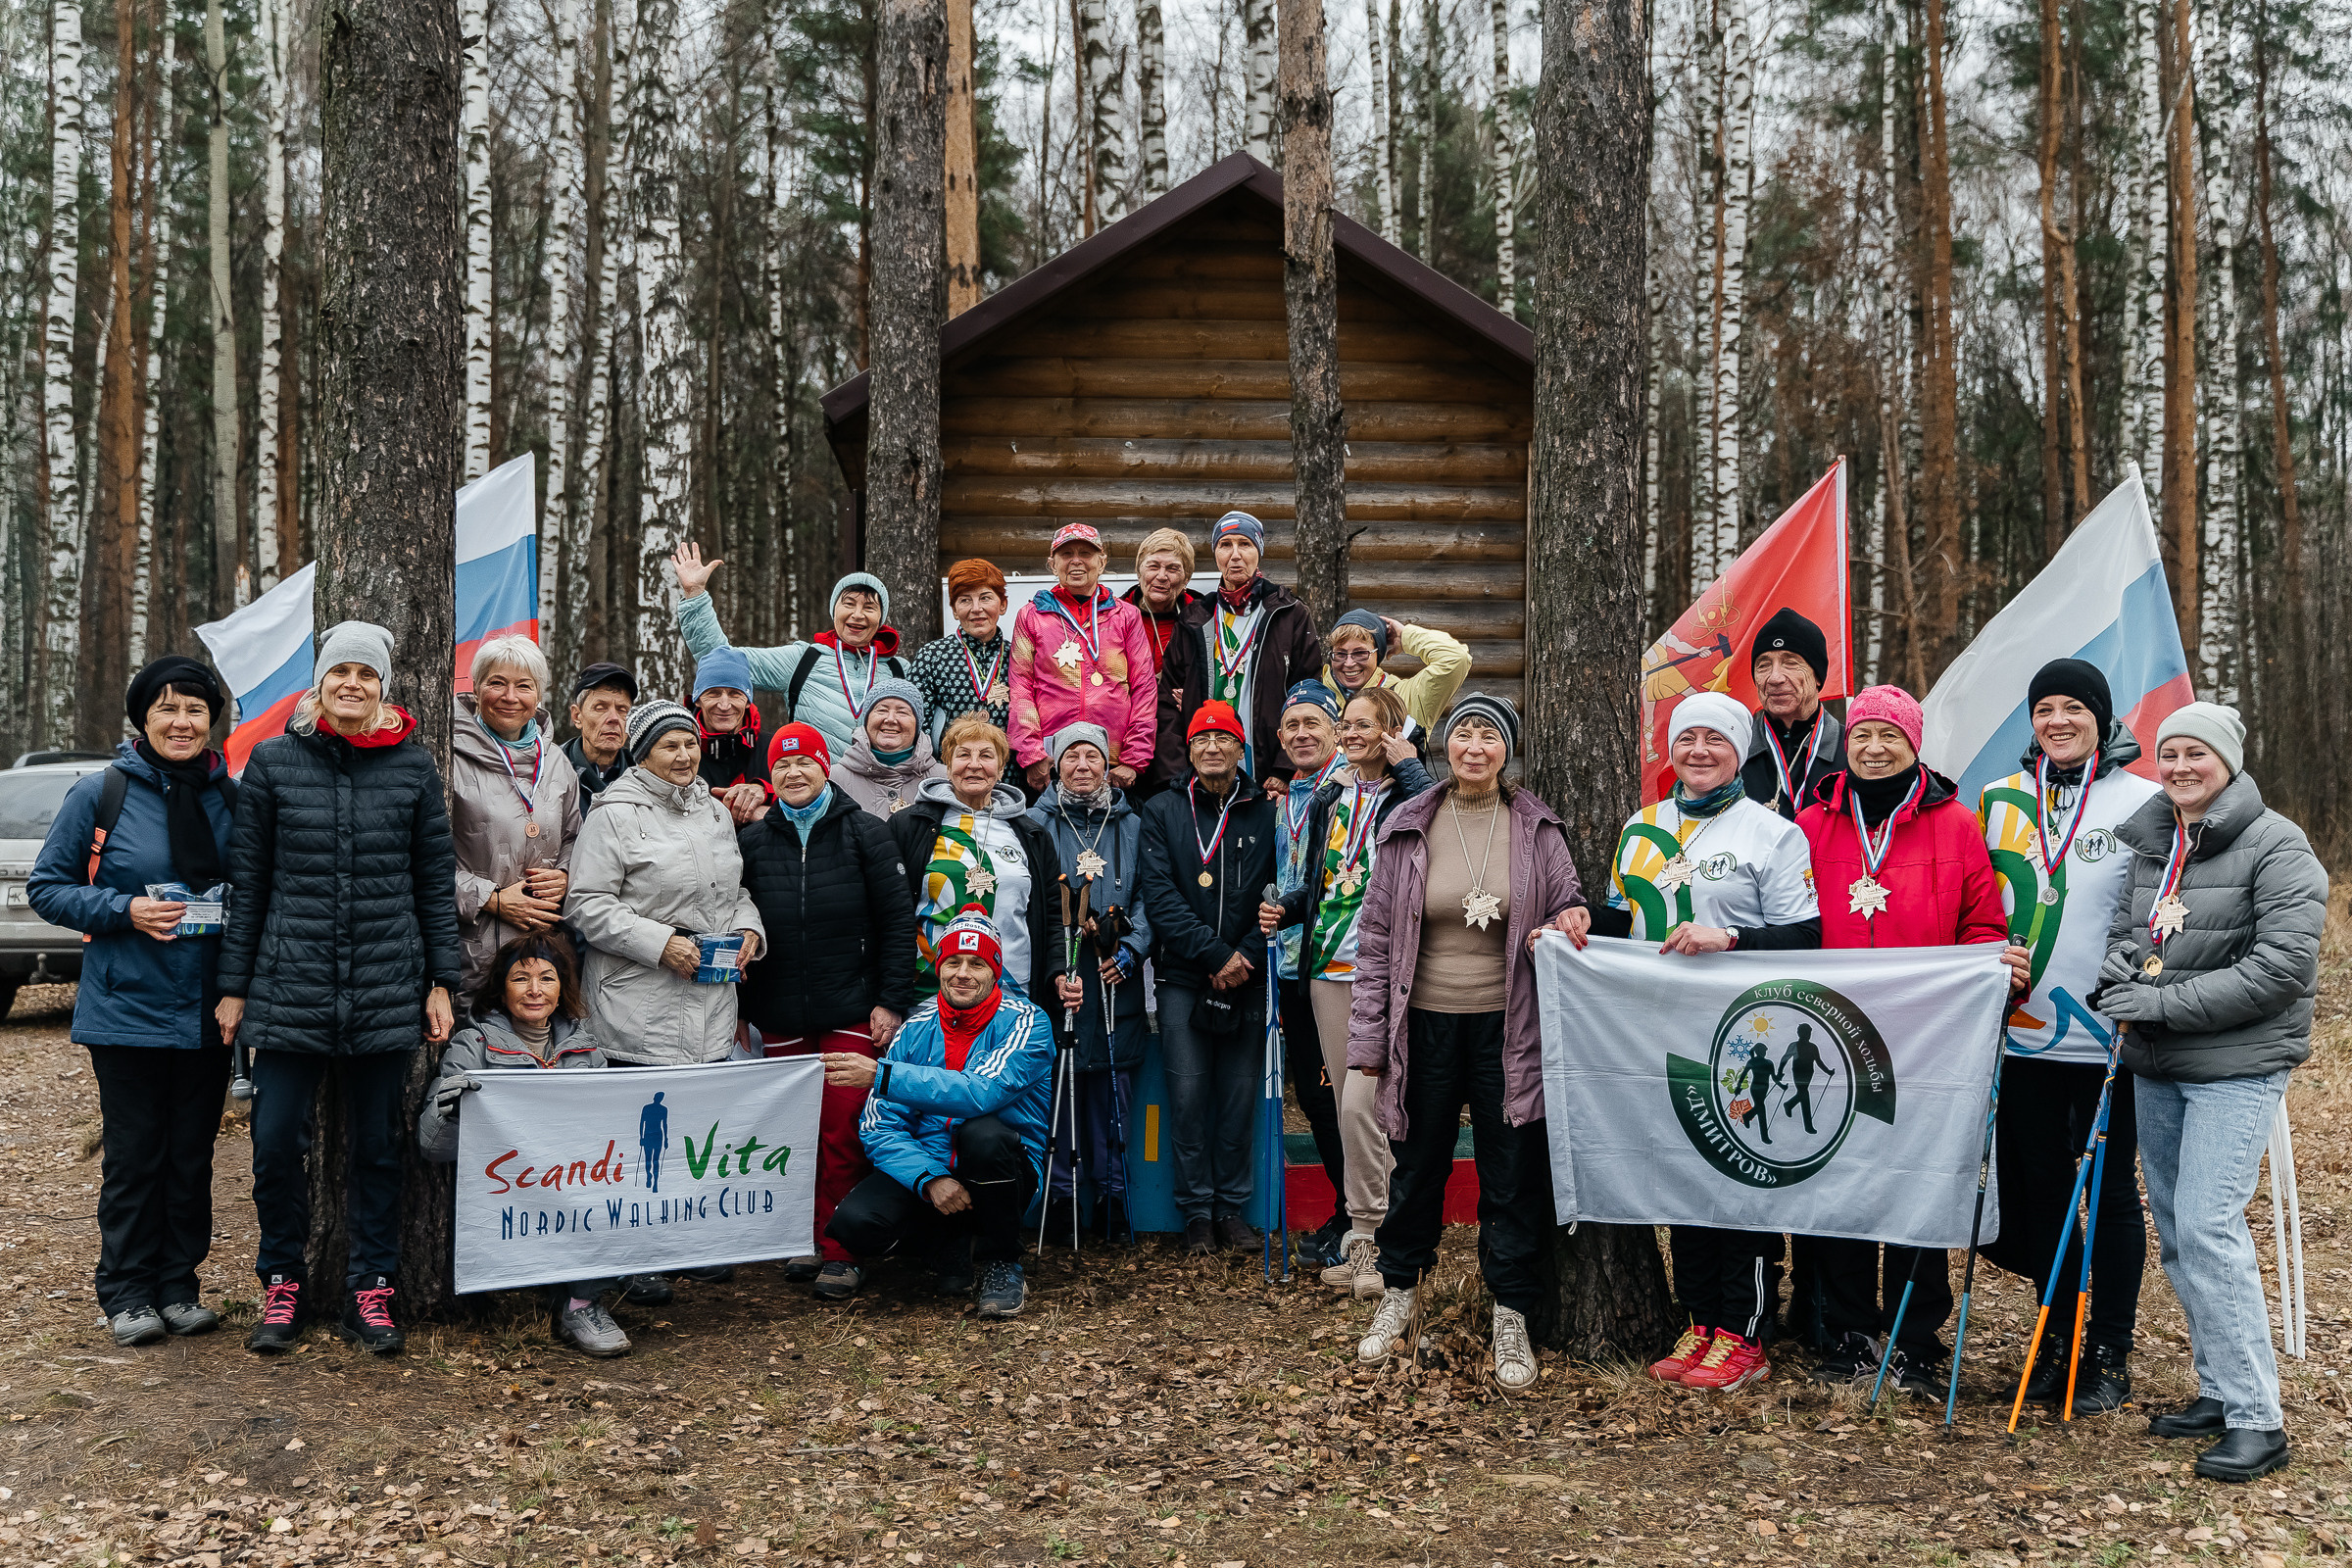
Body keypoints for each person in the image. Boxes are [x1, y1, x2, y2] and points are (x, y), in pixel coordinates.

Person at [216, 622, 462, 1356]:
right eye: (340, 672)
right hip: (288, 990)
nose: (352, 684)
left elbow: (433, 887)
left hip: (387, 990)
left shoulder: (414, 770)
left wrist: (441, 982)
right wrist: (234, 988)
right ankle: (283, 1281)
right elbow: (249, 885)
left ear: (384, 688)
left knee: (378, 1150)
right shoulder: (273, 765)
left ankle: (371, 1289)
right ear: (318, 685)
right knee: (273, 1146)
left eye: (367, 674)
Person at [1564, 691, 1821, 1393]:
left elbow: (1807, 936)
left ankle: (1747, 1330)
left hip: (1745, 1036)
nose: (1699, 751)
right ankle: (1702, 1318)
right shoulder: (1643, 826)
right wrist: (1576, 926)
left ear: (1740, 752)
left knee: (1739, 1176)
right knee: (1683, 1173)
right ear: (1669, 750)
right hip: (1660, 1033)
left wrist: (1730, 936)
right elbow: (1623, 920)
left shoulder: (1773, 833)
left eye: (1716, 739)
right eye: (1687, 739)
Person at [2098, 703, 2326, 1484]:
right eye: (2170, 754)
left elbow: (2280, 971)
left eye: (2197, 753)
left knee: (2207, 1225)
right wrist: (2120, 978)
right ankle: (2221, 1391)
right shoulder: (2154, 840)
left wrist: (2157, 1004)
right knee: (2176, 1225)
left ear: (2226, 761)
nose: (2181, 767)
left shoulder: (2278, 846)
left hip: (2236, 1066)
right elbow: (2128, 938)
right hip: (2160, 1067)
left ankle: (2260, 1420)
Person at [1349, 694, 1586, 1391]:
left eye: (1489, 735)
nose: (1474, 746)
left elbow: (1568, 900)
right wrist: (1368, 1039)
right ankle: (1399, 1294)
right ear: (1444, 746)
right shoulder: (1408, 824)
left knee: (1510, 1172)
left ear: (1506, 750)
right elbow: (1375, 938)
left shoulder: (1536, 828)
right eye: (1463, 734)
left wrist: (1570, 914)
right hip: (1421, 1023)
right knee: (1417, 1165)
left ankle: (1510, 1308)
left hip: (1508, 1028)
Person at [1792, 684, 2019, 1392]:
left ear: (1914, 744)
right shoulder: (1810, 822)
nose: (1875, 747)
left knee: (1920, 1182)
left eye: (1891, 735)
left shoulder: (1955, 825)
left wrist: (1995, 969)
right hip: (1833, 1036)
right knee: (1842, 1178)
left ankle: (1915, 1336)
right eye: (1863, 735)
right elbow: (1785, 919)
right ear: (1848, 743)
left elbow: (1982, 924)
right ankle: (1851, 1329)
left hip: (1927, 1038)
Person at [27, 656, 239, 1348]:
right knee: (135, 1156)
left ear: (213, 720)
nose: (182, 723)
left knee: (191, 1157)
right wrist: (125, 908)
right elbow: (49, 887)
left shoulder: (230, 797)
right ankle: (125, 1293)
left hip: (210, 1011)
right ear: (143, 719)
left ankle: (179, 1287)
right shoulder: (102, 793)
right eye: (167, 710)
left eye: (195, 710)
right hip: (127, 1011)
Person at [1974, 660, 2161, 1415]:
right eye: (2044, 707)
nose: (2057, 719)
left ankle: (2109, 1352)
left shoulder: (2145, 800)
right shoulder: (1998, 800)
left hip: (2107, 1035)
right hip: (2021, 1034)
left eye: (2073, 707)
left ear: (2101, 717)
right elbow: (1980, 904)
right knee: (2042, 1191)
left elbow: (2161, 907)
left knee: (2111, 1193)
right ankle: (2061, 1337)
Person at [1260, 685, 1435, 1298]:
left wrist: (1408, 761)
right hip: (1326, 971)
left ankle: (1377, 1240)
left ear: (1394, 732)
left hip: (1385, 968)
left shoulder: (1410, 793)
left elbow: (1430, 825)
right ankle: (1379, 1241)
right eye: (1349, 724)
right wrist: (1286, 904)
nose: (1355, 733)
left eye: (1368, 724)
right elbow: (1316, 881)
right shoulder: (1332, 797)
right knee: (1347, 1109)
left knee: (1368, 1105)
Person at [736, 721, 917, 1300]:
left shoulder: (865, 832)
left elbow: (896, 923)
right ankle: (802, 1238)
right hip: (781, 1012)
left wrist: (890, 1001)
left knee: (842, 1129)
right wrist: (742, 1008)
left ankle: (841, 1249)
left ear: (823, 768)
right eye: (782, 765)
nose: (794, 773)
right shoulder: (755, 841)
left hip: (849, 1009)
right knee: (795, 1133)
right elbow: (739, 926)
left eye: (804, 763)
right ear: (772, 774)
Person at [823, 908, 1054, 1319]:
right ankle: (945, 1243)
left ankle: (1002, 1261)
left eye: (977, 964)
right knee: (854, 1225)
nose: (963, 973)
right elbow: (880, 1125)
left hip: (1004, 1170)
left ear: (995, 971)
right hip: (934, 1169)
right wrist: (928, 1179)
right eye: (953, 962)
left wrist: (883, 1075)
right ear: (939, 967)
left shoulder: (1029, 1021)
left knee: (982, 1134)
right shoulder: (915, 1025)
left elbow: (981, 1092)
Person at [418, 932, 632, 1359]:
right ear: (501, 988)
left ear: (562, 988)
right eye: (521, 979)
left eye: (547, 979)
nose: (535, 991)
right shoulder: (473, 1045)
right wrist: (451, 1112)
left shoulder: (587, 1049)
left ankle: (581, 1303)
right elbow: (432, 1146)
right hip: (506, 1189)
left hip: (571, 1183)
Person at [1137, 700, 1279, 1254]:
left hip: (1248, 974)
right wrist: (1214, 955)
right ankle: (1196, 1211)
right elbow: (1161, 897)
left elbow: (1277, 888)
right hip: (1183, 975)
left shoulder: (1265, 811)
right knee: (1188, 1095)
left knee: (1239, 1095)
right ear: (1189, 749)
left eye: (1224, 739)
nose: (1213, 748)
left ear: (1240, 748)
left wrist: (1241, 956)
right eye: (1202, 740)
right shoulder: (1162, 810)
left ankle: (1231, 1208)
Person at [564, 701, 766, 1069]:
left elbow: (733, 890)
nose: (684, 756)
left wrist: (748, 928)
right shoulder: (614, 813)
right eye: (669, 746)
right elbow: (585, 904)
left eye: (690, 744)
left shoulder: (717, 813)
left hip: (713, 1014)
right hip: (635, 1017)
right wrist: (661, 945)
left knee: (702, 1127)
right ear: (643, 755)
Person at [1025, 722, 1154, 1245]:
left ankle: (1112, 1196)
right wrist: (1058, 966)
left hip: (1114, 975)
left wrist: (1131, 949)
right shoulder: (1035, 823)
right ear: (1055, 765)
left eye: (1093, 757)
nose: (1082, 766)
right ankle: (1059, 1196)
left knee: (1111, 1089)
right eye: (1071, 756)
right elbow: (1032, 902)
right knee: (1060, 1084)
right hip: (1059, 977)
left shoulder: (1132, 822)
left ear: (1108, 764)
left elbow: (1152, 893)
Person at [670, 542, 906, 756]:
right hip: (818, 793)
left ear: (881, 617)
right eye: (848, 604)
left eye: (869, 607)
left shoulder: (900, 670)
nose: (857, 614)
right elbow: (720, 659)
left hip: (885, 792)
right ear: (834, 610)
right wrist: (695, 596)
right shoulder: (803, 660)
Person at [891, 715, 1064, 1003]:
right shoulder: (911, 826)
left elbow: (1052, 914)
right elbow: (890, 914)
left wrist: (1057, 971)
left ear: (1000, 769)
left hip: (1011, 992)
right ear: (947, 766)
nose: (974, 764)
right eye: (962, 755)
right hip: (929, 993)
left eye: (986, 755)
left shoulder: (1031, 834)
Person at [451, 635, 584, 1007]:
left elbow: (577, 838)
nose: (510, 697)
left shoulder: (556, 761)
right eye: (497, 682)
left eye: (524, 686)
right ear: (476, 688)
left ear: (538, 694)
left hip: (543, 953)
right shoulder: (447, 755)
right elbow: (422, 859)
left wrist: (566, 876)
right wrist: (490, 899)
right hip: (470, 952)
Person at [1269, 682, 1352, 1268]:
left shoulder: (1351, 790)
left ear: (1336, 730)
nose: (1302, 734)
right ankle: (1351, 1211)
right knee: (1317, 1101)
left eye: (1312, 723)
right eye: (1292, 725)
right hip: (1290, 964)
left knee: (1344, 1097)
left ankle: (1362, 1216)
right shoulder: (1287, 795)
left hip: (1337, 963)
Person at [1155, 513, 1323, 787]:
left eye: (1244, 544)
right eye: (1225, 545)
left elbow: (1307, 693)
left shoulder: (1288, 613)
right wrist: (1178, 774)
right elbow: (1166, 705)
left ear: (1258, 552)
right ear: (1216, 554)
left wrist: (1284, 769)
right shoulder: (1195, 618)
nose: (1235, 555)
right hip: (1203, 772)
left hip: (1268, 773)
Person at [1009, 522, 1158, 794]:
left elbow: (1144, 690)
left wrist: (1134, 759)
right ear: (1052, 564)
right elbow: (1021, 689)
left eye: (1085, 554)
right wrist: (1031, 755)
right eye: (1066, 554)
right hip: (1053, 762)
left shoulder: (1126, 616)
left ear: (1102, 562)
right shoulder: (1031, 616)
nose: (1076, 561)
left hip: (1113, 763)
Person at [1740, 609, 1843, 820]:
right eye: (1764, 665)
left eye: (1791, 663)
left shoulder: (1853, 751)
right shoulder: (1734, 751)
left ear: (1817, 676)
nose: (1775, 678)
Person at [1318, 609, 1471, 749]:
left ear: (1377, 655)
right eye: (1340, 654)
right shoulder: (1314, 696)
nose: (1349, 663)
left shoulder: (1404, 697)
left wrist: (1405, 636)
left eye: (1360, 653)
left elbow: (1456, 658)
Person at [908, 558, 1014, 746]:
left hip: (1009, 773)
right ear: (955, 611)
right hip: (950, 771)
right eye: (965, 600)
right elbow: (916, 725)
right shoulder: (932, 656)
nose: (976, 609)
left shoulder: (1018, 655)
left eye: (985, 598)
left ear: (1003, 605)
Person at [832, 678, 948, 818]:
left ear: (917, 724)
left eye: (902, 712)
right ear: (866, 719)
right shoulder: (833, 780)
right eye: (882, 710)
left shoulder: (944, 779)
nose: (891, 719)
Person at [691, 646, 772, 825]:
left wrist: (766, 792)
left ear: (748, 701)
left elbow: (805, 799)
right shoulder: (682, 750)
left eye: (735, 694)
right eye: (713, 693)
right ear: (697, 699)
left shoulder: (772, 747)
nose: (724, 705)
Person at [1121, 528, 1204, 678]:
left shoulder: (1203, 620)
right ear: (1139, 572)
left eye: (1173, 569)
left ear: (1186, 579)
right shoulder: (1115, 617)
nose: (1161, 576)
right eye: (1153, 566)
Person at [564, 662, 638, 811]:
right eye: (600, 708)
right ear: (577, 716)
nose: (614, 718)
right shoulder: (551, 769)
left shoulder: (644, 774)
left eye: (622, 710)